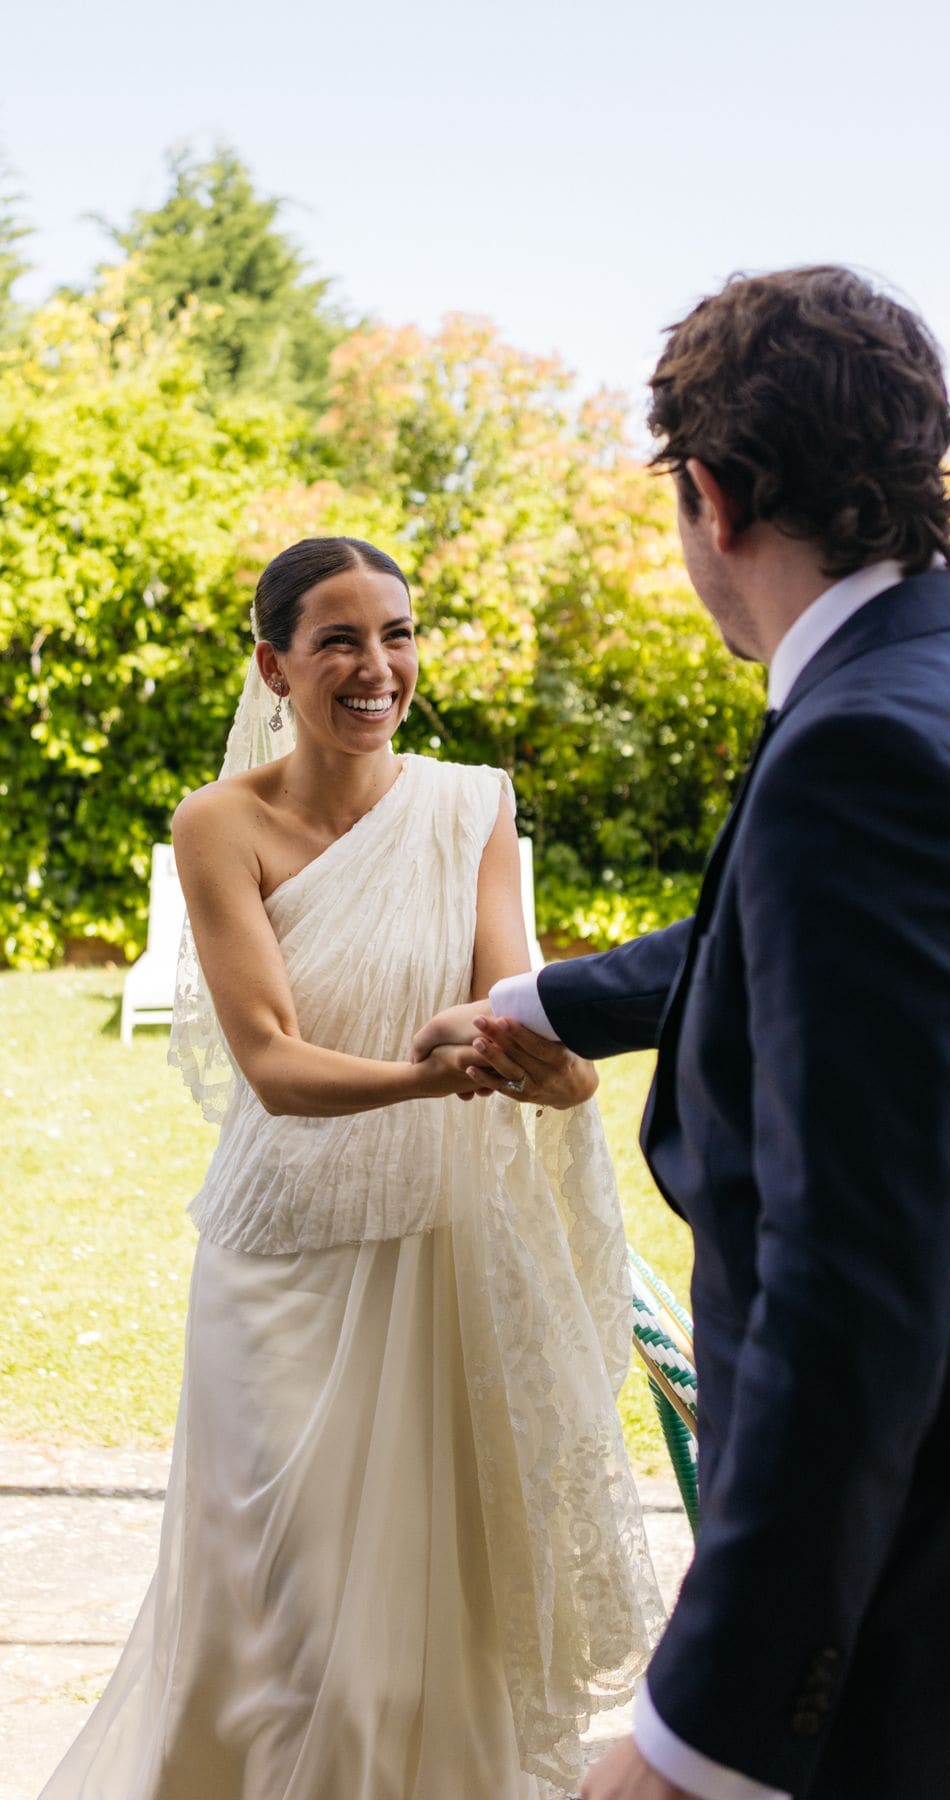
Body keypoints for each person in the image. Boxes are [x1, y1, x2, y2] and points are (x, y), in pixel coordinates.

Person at [414, 267, 950, 1800]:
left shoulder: (865, 754)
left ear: (710, 494)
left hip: (921, 1580)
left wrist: (698, 1735)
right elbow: (791, 957)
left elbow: (850, 1304)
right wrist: (541, 1000)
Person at [39, 536, 663, 1800]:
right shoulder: (218, 824)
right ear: (274, 665)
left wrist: (557, 1069)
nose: (378, 666)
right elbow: (271, 1063)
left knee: (431, 1621)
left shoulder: (470, 805)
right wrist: (443, 1075)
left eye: (399, 633)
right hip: (281, 1271)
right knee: (280, 1618)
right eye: (338, 639)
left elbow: (510, 1007)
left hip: (440, 1251)